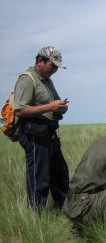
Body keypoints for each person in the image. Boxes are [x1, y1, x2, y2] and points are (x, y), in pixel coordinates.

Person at [14, 46, 70, 212]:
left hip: (49, 134)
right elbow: (20, 110)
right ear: (40, 61)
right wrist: (50, 106)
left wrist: (60, 107)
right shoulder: (27, 78)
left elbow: (55, 102)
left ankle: (65, 210)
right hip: (34, 135)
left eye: (56, 67)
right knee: (39, 178)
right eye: (52, 66)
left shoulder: (47, 80)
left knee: (60, 174)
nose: (54, 70)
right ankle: (35, 218)